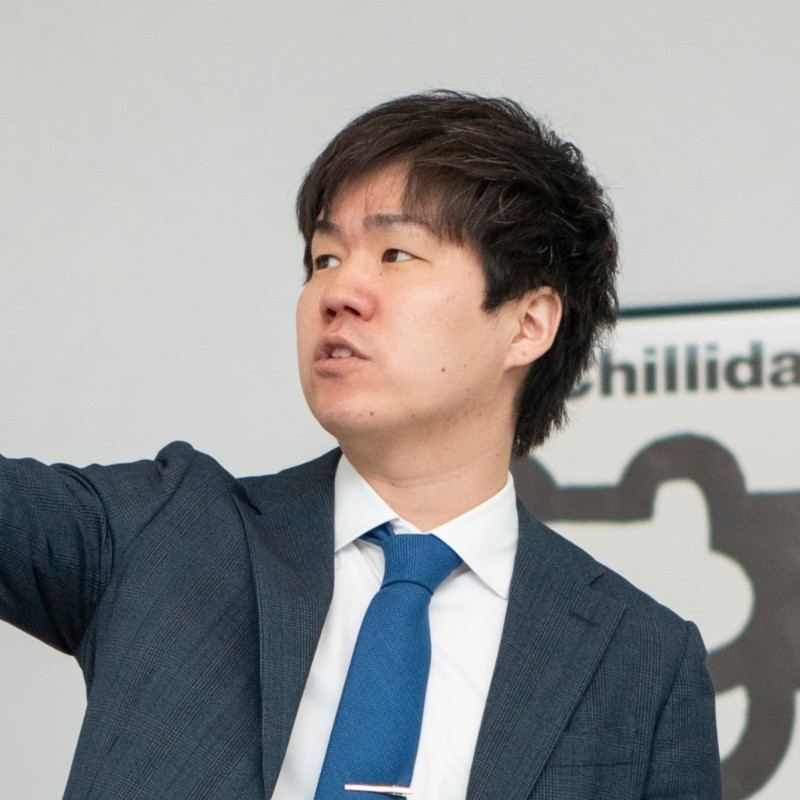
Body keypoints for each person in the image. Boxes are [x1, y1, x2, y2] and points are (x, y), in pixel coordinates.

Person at [0, 91, 720, 799]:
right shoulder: (168, 531)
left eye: (396, 253)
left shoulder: (641, 662)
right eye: (324, 258)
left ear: (528, 324)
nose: (339, 291)